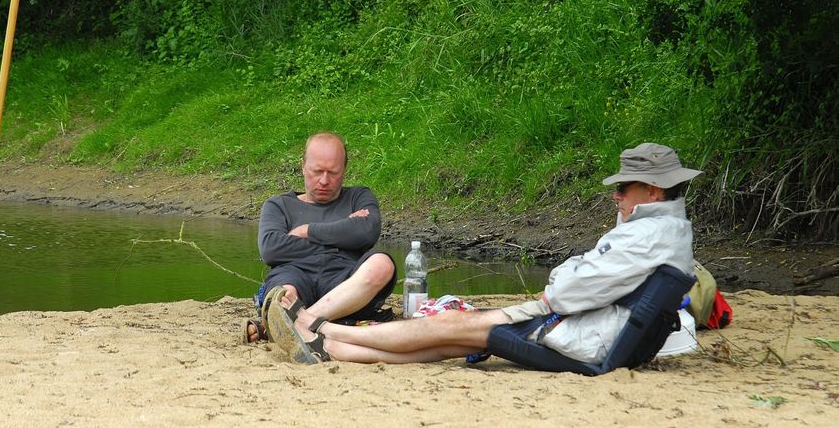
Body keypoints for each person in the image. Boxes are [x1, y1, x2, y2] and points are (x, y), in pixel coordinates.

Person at [268, 142, 701, 364]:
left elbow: (567, 288)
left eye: (623, 188)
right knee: (451, 337)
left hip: (576, 336)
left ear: (653, 190)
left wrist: (566, 276)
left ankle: (320, 330)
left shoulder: (643, 236)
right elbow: (272, 247)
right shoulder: (666, 230)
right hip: (594, 331)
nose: (617, 196)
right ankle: (329, 342)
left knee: (451, 327)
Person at [245, 132, 396, 343]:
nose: (324, 181)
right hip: (294, 273)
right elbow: (271, 249)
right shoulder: (278, 205)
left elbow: (367, 231)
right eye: (317, 171)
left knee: (382, 263)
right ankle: (296, 320)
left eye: (333, 173)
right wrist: (342, 236)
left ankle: (294, 324)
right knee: (285, 293)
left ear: (344, 170)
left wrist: (307, 230)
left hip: (345, 278)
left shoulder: (359, 196)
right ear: (303, 166)